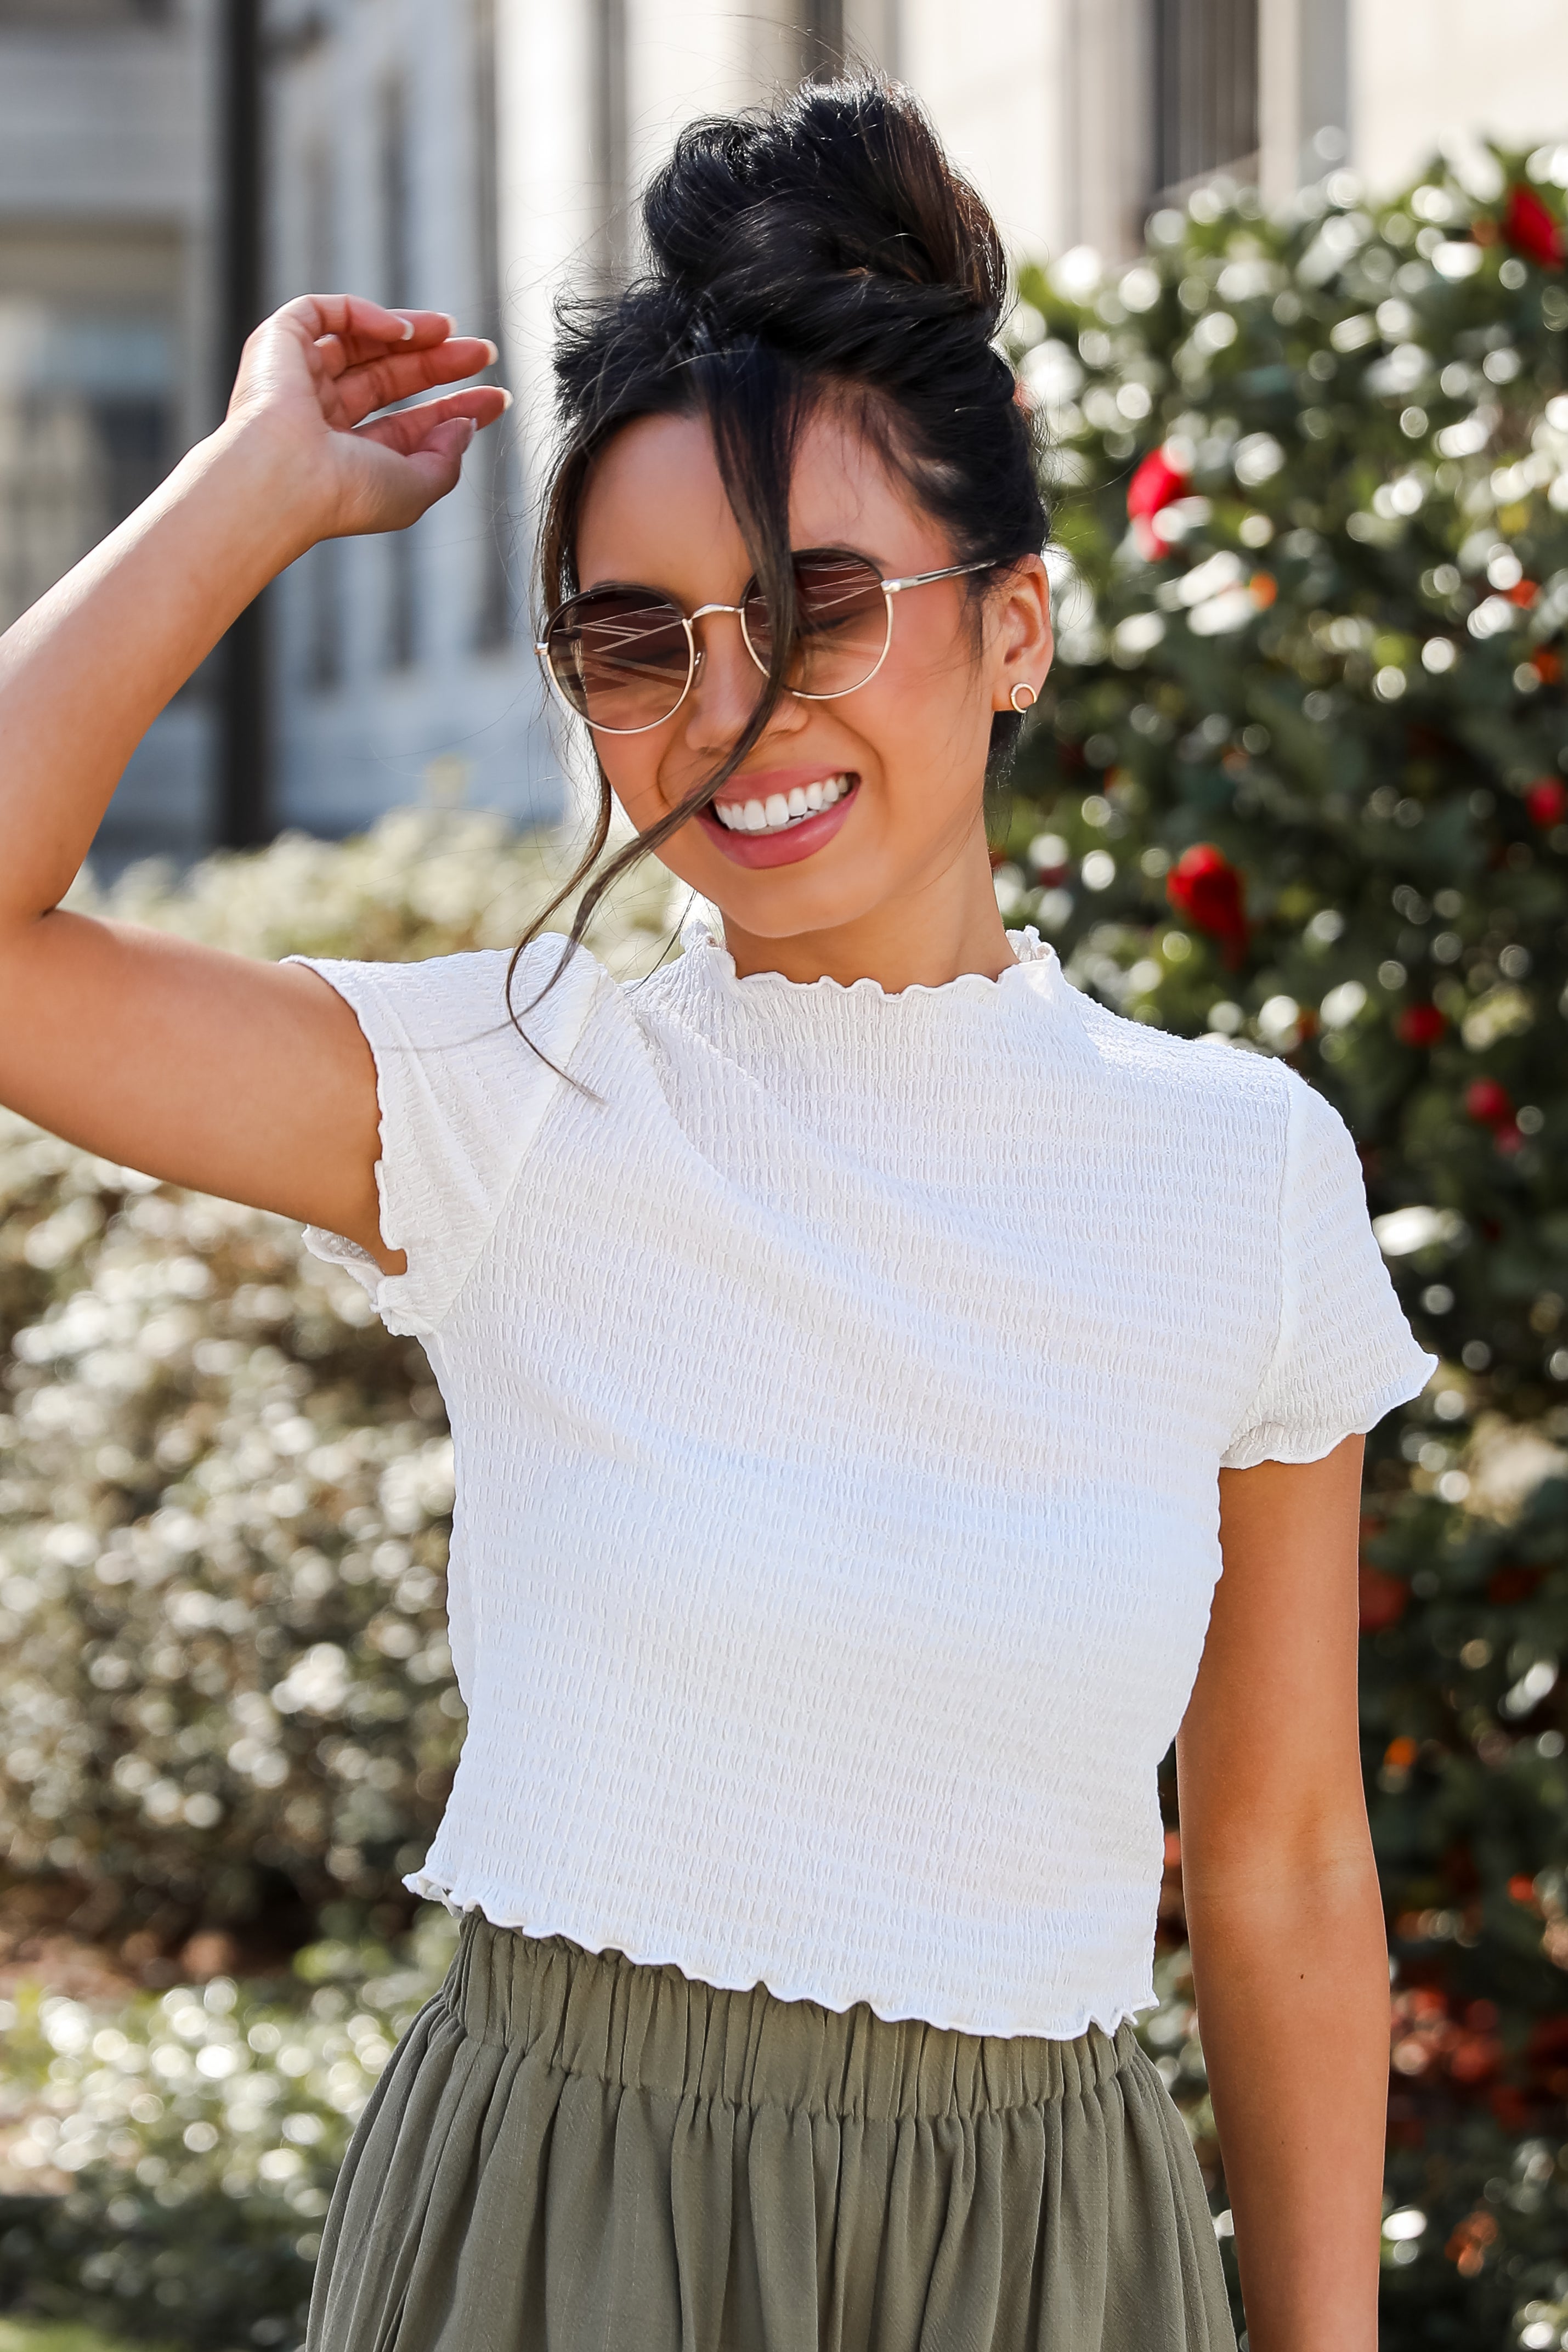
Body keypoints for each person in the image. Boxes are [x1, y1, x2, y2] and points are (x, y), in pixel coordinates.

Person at [0, 75, 1432, 2352]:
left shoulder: (1237, 1172)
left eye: (819, 603)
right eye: (633, 637)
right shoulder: (514, 1095)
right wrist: (253, 488)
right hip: (565, 2226)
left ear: (1022, 626)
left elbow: (1276, 1868)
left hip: (1045, 2261)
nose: (726, 707)